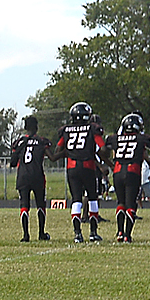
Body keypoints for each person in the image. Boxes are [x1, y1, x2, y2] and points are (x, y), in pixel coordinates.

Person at [52, 102, 106, 243]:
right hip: (88, 166)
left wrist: (70, 152)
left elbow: (58, 150)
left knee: (76, 199)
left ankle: (77, 234)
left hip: (71, 167)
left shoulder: (66, 130)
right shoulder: (92, 128)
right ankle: (93, 233)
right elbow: (102, 147)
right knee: (92, 198)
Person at [105, 113, 150, 243]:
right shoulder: (141, 138)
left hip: (117, 171)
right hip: (132, 171)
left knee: (121, 202)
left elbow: (102, 150)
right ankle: (127, 235)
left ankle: (119, 231)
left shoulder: (114, 138)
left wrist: (109, 163)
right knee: (131, 204)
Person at [8, 115, 51, 242]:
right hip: (37, 175)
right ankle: (41, 233)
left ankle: (26, 235)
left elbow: (12, 162)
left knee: (24, 205)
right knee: (40, 205)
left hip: (23, 176)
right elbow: (51, 156)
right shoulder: (42, 141)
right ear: (36, 127)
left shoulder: (20, 142)